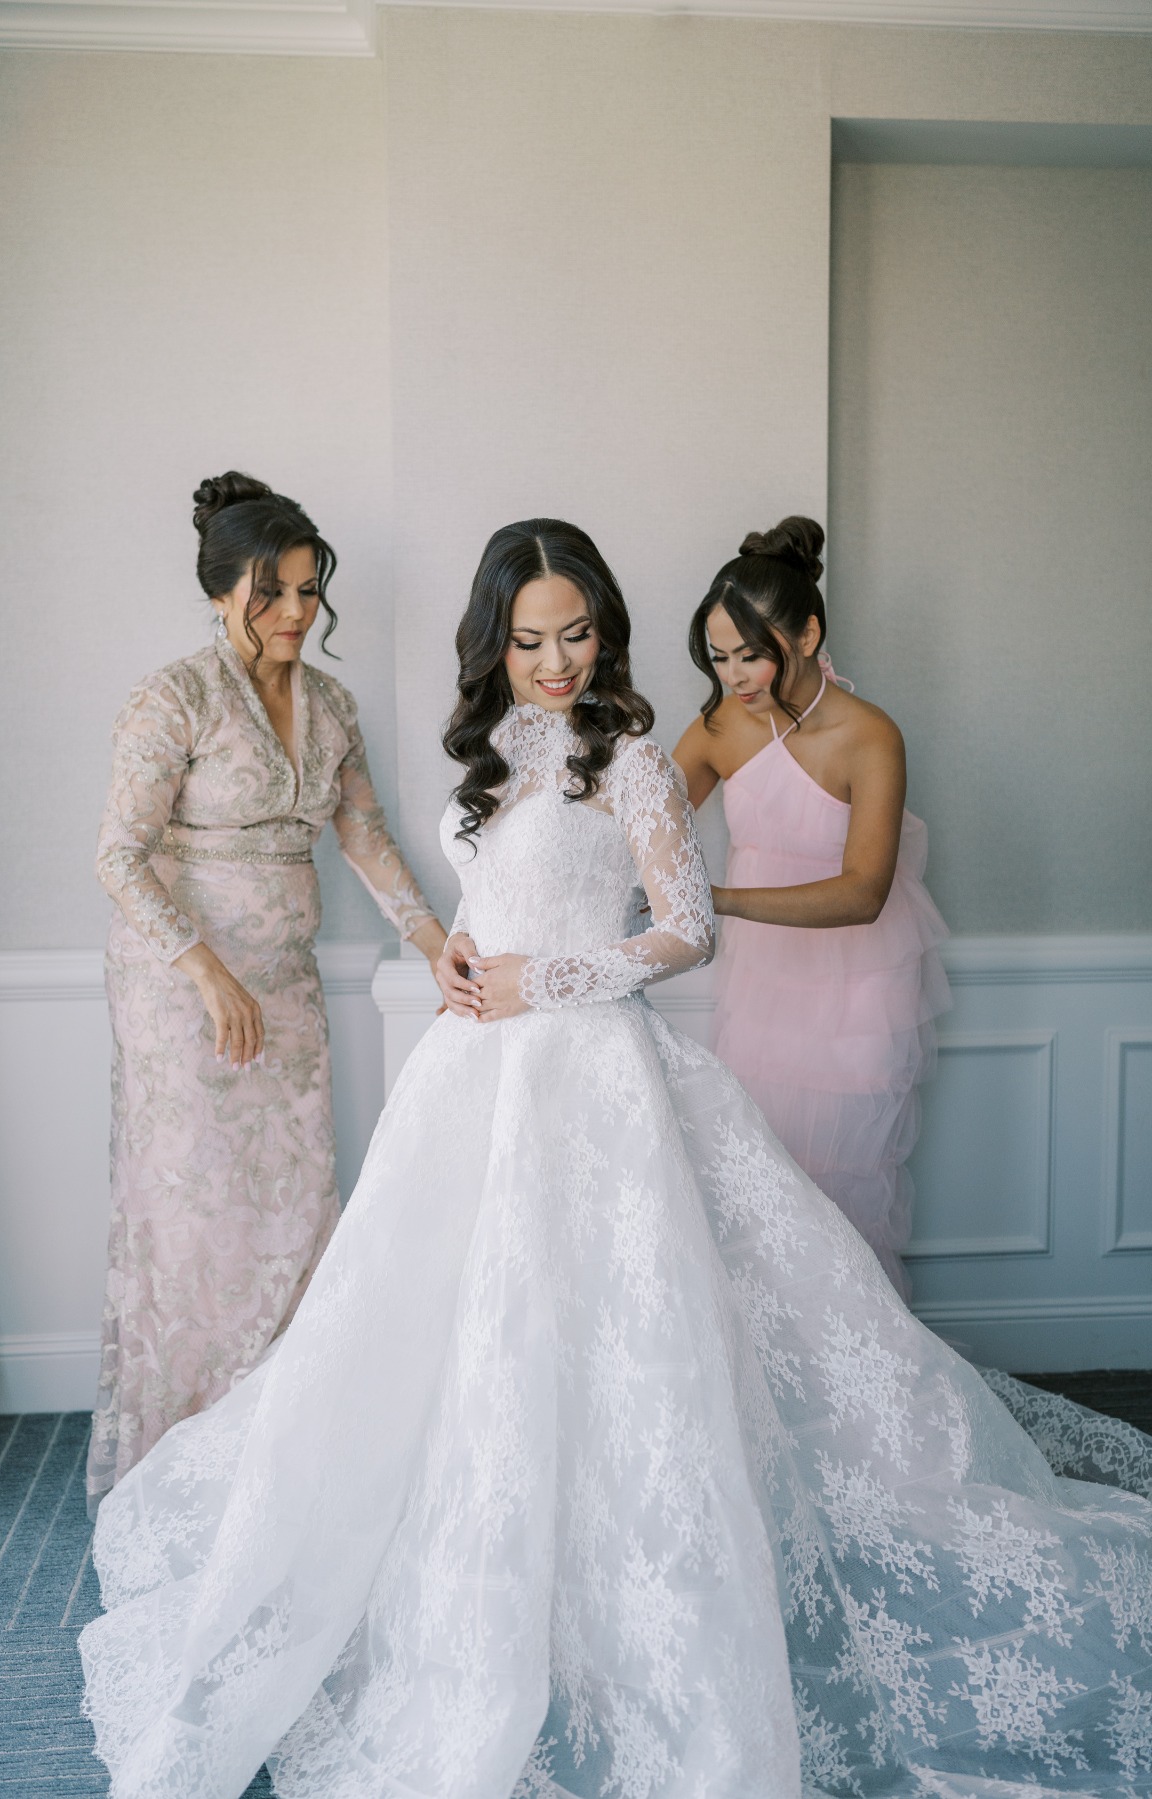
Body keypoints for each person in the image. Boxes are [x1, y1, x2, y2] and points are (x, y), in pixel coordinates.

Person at [81, 519, 1152, 1799]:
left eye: (576, 633)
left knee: (615, 1345)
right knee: (447, 1334)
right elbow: (482, 894)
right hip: (473, 1075)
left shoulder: (635, 758)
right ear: (497, 641)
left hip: (592, 1075)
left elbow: (685, 925)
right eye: (529, 638)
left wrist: (554, 977)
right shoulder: (485, 752)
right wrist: (467, 956)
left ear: (607, 630)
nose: (554, 661)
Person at [86, 471, 447, 1514]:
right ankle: (183, 1475)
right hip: (181, 990)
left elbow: (365, 834)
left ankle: (279, 1462)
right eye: (274, 593)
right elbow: (117, 856)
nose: (297, 613)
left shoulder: (331, 703)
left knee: (293, 1214)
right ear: (220, 594)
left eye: (307, 592)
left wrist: (431, 937)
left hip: (285, 987)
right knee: (196, 1220)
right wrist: (202, 966)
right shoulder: (172, 699)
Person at [673, 518, 949, 1297]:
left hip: (862, 990)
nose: (734, 675)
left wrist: (718, 898)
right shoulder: (721, 726)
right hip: (761, 988)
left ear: (807, 633)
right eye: (719, 657)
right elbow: (647, 825)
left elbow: (865, 891)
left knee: (847, 1178)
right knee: (762, 1169)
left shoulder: (870, 736)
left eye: (751, 654)